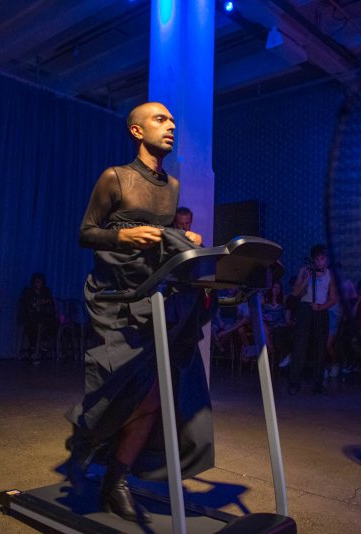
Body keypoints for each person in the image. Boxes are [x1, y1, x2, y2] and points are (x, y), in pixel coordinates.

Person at [65, 102, 213, 524]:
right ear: (136, 130)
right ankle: (90, 445)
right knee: (113, 391)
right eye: (160, 120)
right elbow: (86, 234)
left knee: (151, 394)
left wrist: (179, 237)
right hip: (112, 300)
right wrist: (123, 233)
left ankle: (118, 478)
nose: (171, 127)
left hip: (151, 300)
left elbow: (159, 241)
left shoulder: (173, 186)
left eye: (173, 121)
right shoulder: (115, 177)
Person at [287, 244, 338, 395]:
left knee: (320, 348)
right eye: (319, 259)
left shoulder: (331, 274)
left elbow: (333, 298)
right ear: (314, 260)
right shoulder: (304, 271)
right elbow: (295, 293)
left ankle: (318, 384)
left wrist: (321, 308)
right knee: (300, 346)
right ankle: (294, 383)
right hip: (305, 310)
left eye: (324, 259)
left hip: (320, 311)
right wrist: (305, 280)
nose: (322, 262)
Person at [18, 272, 58, 361]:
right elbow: (26, 305)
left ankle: (44, 342)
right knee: (34, 323)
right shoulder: (28, 292)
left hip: (44, 315)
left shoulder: (46, 291)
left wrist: (44, 303)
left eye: (40, 282)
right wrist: (35, 305)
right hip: (32, 316)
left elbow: (51, 303)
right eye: (36, 282)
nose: (38, 284)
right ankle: (34, 346)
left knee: (53, 321)